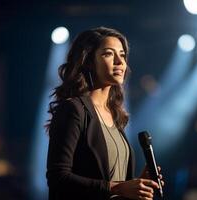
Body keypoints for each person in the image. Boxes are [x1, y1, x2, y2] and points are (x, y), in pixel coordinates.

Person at [46, 27, 163, 200]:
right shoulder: (73, 110)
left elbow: (114, 182)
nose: (120, 62)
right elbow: (58, 178)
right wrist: (118, 188)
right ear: (88, 61)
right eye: (108, 54)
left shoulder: (115, 115)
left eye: (122, 55)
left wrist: (137, 184)